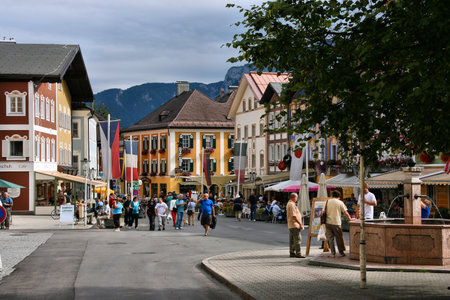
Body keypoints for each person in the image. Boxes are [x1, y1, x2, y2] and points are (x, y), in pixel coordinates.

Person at [325, 190, 354, 257]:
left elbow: (323, 211)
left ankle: (333, 253)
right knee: (339, 238)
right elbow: (345, 212)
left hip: (328, 222)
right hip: (336, 222)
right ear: (339, 196)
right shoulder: (340, 202)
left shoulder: (327, 201)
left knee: (330, 239)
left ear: (332, 195)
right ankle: (341, 252)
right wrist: (350, 218)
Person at [286, 193, 305, 258]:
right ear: (293, 197)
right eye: (296, 197)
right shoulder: (291, 204)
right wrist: (300, 223)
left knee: (292, 240)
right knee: (297, 239)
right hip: (294, 224)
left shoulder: (290, 204)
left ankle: (292, 252)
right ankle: (298, 253)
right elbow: (294, 216)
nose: (297, 199)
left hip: (292, 224)